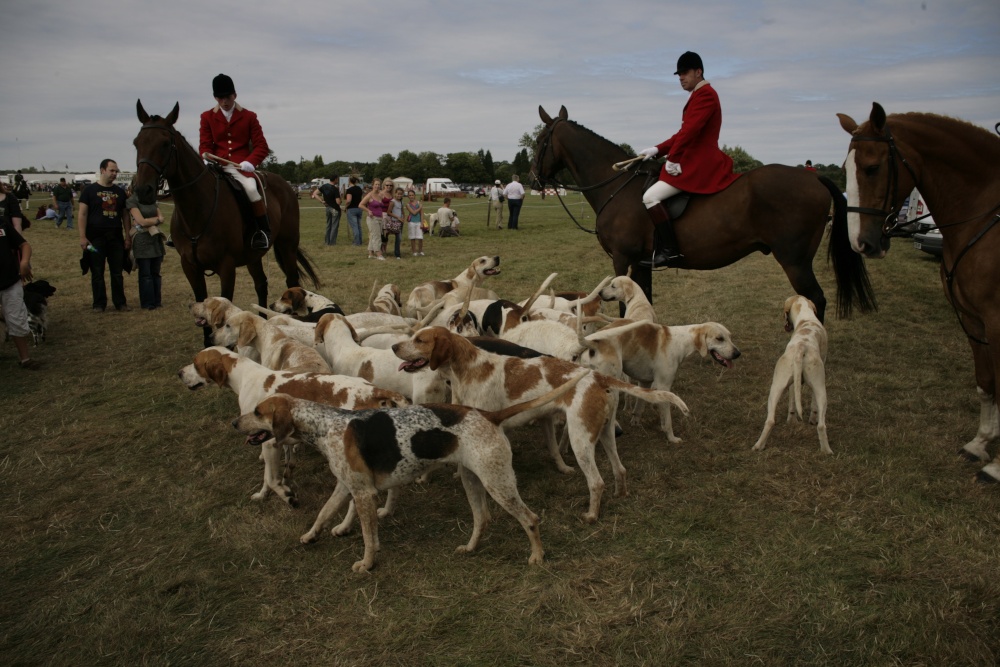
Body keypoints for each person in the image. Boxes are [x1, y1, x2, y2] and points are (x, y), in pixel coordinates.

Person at [638, 51, 740, 268]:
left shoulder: (706, 95)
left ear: (698, 72)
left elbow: (690, 131)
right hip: (692, 157)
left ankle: (670, 252)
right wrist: (657, 149)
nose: (681, 78)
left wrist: (672, 158)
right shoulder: (698, 95)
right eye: (679, 75)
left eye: (684, 73)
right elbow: (682, 133)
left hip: (699, 162)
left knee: (650, 197)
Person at [198, 73, 272, 250]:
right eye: (220, 97)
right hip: (217, 166)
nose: (225, 101)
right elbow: (205, 145)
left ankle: (262, 231)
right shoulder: (207, 117)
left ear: (235, 95)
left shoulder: (249, 117)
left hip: (241, 166)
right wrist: (206, 156)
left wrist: (251, 162)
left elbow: (261, 146)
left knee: (251, 188)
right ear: (215, 97)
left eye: (228, 97)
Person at [78, 159, 131, 312]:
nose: (114, 174)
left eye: (116, 171)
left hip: (115, 238)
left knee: (117, 272)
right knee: (97, 271)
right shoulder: (89, 190)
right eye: (111, 170)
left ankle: (120, 303)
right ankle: (99, 304)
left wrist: (127, 236)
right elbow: (82, 214)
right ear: (102, 170)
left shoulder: (120, 192)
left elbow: (125, 216)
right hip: (95, 239)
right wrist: (82, 237)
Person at [0, 197, 40, 370]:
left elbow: (23, 245)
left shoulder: (2, 223)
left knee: (16, 318)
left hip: (10, 280)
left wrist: (24, 262)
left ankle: (25, 359)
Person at [126, 188, 166, 310]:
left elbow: (162, 218)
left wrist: (152, 220)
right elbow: (141, 222)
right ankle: (148, 303)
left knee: (156, 273)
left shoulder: (152, 200)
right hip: (141, 240)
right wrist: (155, 220)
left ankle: (157, 301)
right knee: (145, 274)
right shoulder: (132, 201)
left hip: (154, 239)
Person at [311, 175, 342, 246]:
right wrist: (340, 201)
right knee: (334, 226)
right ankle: (332, 242)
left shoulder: (324, 186)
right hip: (335, 208)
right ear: (335, 179)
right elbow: (338, 202)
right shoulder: (335, 189)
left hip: (327, 208)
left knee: (328, 225)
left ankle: (327, 241)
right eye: (337, 179)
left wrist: (322, 201)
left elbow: (315, 193)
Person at [359, 179, 385, 260]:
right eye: (376, 184)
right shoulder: (369, 195)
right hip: (372, 218)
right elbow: (360, 205)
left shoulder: (380, 195)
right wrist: (368, 210)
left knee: (374, 235)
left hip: (380, 218)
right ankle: (378, 254)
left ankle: (370, 253)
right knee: (377, 236)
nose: (377, 186)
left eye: (378, 184)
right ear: (373, 185)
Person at [383, 186, 405, 259]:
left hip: (400, 222)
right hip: (393, 222)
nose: (399, 195)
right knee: (386, 235)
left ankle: (397, 254)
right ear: (395, 194)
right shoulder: (392, 202)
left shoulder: (402, 202)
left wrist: (403, 217)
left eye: (401, 194)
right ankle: (382, 250)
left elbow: (402, 211)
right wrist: (397, 217)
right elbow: (389, 212)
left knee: (399, 238)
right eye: (398, 194)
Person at [343, 176, 364, 246]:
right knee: (358, 226)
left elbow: (349, 200)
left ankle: (356, 242)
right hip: (359, 208)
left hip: (352, 209)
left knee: (354, 226)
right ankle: (360, 240)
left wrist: (345, 207)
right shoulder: (359, 189)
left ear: (349, 181)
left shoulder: (349, 190)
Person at [406, 190, 425, 256]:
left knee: (420, 237)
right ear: (408, 196)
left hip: (418, 221)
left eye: (412, 195)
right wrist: (420, 207)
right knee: (412, 237)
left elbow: (422, 213)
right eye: (410, 195)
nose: (411, 196)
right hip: (411, 222)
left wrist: (422, 223)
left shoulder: (418, 202)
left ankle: (420, 250)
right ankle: (414, 251)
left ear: (414, 195)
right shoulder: (408, 205)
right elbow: (413, 213)